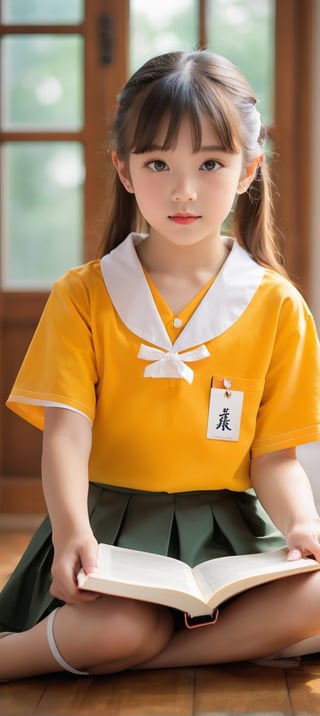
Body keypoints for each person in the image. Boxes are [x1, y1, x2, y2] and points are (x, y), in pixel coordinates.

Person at [1, 49, 320, 682]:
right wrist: (70, 533)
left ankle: (128, 657)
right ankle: (39, 656)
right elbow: (66, 433)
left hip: (228, 538)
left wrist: (303, 526)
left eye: (210, 163)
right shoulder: (83, 295)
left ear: (249, 169)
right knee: (121, 621)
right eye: (157, 163)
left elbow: (274, 458)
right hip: (105, 529)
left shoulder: (279, 305)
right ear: (123, 169)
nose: (183, 190)